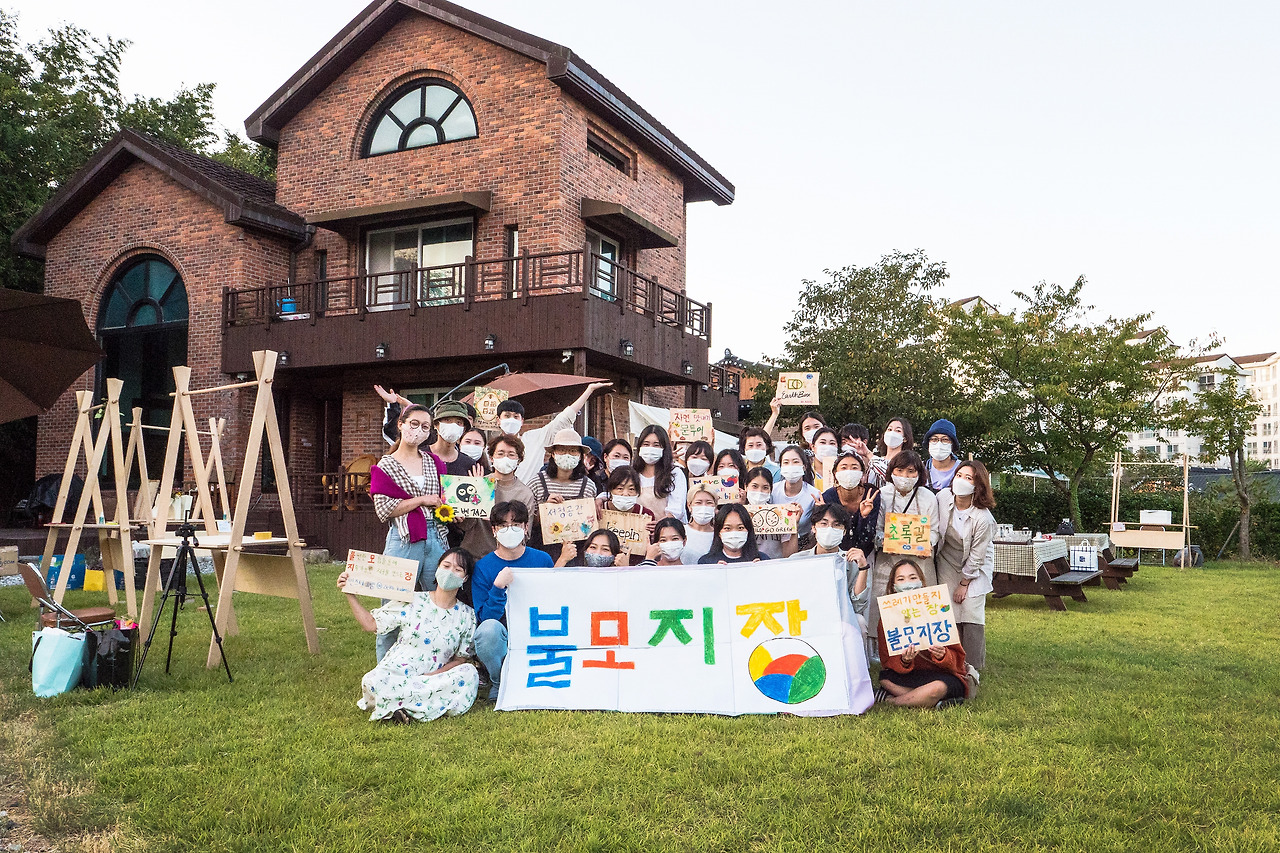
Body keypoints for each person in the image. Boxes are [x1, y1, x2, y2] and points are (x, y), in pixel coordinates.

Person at [338, 547, 479, 723]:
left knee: (469, 673)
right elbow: (370, 624)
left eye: (457, 569)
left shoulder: (467, 615)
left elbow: (460, 659)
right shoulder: (413, 600)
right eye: (446, 566)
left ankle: (397, 704)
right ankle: (418, 704)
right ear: (437, 569)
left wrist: (432, 676)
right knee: (374, 679)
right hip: (400, 669)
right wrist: (350, 594)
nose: (450, 572)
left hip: (435, 677)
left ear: (465, 578)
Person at [368, 404, 449, 661]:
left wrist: (450, 509)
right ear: (401, 424)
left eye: (425, 427)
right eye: (414, 424)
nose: (419, 430)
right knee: (392, 606)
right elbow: (384, 509)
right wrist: (422, 500)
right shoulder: (386, 465)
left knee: (439, 602)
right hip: (403, 537)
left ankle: (432, 663)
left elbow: (444, 498)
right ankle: (385, 669)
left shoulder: (434, 462)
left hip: (436, 534)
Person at [472, 501, 554, 701]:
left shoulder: (542, 560)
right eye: (503, 525)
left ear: (526, 527)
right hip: (504, 633)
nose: (510, 530)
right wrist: (498, 587)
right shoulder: (483, 567)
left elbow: (553, 600)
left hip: (536, 628)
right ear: (494, 530)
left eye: (516, 524)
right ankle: (500, 680)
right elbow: (486, 618)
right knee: (487, 631)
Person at [876, 558, 969, 708]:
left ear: (921, 581)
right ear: (893, 586)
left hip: (941, 676)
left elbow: (958, 660)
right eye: (901, 579)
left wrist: (943, 655)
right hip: (909, 676)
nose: (908, 584)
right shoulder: (888, 617)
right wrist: (904, 661)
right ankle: (933, 701)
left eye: (913, 578)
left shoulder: (939, 610)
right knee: (885, 679)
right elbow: (887, 662)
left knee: (937, 688)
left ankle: (889, 700)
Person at [872, 450, 943, 641]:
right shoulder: (883, 495)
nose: (905, 476)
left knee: (921, 608)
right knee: (884, 603)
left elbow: (935, 530)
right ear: (891, 471)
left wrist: (927, 544)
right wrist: (885, 541)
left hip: (920, 561)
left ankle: (924, 645)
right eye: (900, 470)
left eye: (911, 471)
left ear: (919, 473)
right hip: (888, 561)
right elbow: (877, 529)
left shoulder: (928, 497)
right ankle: (883, 646)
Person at [935, 460, 996, 672]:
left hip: (975, 564)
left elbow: (978, 555)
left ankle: (972, 667)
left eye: (968, 478)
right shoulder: (943, 498)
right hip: (947, 559)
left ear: (977, 486)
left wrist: (964, 583)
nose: (961, 481)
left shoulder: (983, 518)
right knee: (948, 610)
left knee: (971, 610)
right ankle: (950, 663)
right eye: (959, 475)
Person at [790, 502, 870, 633]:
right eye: (824, 523)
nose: (829, 529)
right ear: (814, 528)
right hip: (805, 617)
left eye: (836, 525)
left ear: (844, 531)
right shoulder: (797, 560)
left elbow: (857, 607)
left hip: (840, 618)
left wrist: (862, 569)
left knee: (859, 621)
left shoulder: (852, 562)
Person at [459, 435, 539, 558]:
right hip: (473, 555)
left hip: (506, 558)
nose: (505, 458)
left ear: (519, 460)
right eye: (500, 453)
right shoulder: (478, 484)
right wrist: (478, 492)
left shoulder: (525, 493)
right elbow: (464, 526)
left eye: (511, 454)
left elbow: (525, 535)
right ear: (491, 458)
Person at [515, 382, 612, 483]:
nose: (511, 420)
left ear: (522, 420)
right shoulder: (542, 479)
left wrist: (589, 390)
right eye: (507, 416)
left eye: (516, 416)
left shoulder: (533, 438)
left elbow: (563, 419)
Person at [821, 451, 879, 557]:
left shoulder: (871, 496)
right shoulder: (827, 497)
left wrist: (864, 517)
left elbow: (870, 535)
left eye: (854, 468)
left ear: (862, 473)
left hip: (866, 554)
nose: (849, 472)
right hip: (836, 553)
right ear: (835, 473)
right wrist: (820, 513)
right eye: (844, 468)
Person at [598, 466, 657, 565]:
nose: (625, 494)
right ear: (611, 490)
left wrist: (654, 535)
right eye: (620, 489)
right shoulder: (600, 510)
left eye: (631, 489)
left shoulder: (646, 515)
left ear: (638, 492)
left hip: (634, 568)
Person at [633, 425, 688, 521]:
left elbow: (677, 510)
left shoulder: (675, 473)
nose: (650, 448)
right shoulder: (632, 473)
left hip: (667, 527)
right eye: (646, 444)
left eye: (656, 445)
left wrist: (659, 524)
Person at [772, 445, 822, 545]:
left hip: (803, 545)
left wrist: (820, 510)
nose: (790, 466)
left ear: (804, 466)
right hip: (774, 543)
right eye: (786, 462)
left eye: (795, 462)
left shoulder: (814, 495)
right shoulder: (772, 491)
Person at [744, 467, 796, 559]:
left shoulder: (780, 514)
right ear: (746, 487)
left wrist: (794, 525)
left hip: (774, 564)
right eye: (755, 486)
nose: (759, 492)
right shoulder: (739, 515)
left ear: (770, 490)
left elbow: (789, 555)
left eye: (765, 488)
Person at [698, 504, 768, 563]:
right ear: (719, 532)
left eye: (740, 528)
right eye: (727, 528)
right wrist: (716, 572)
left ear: (748, 530)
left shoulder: (763, 560)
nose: (734, 533)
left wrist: (760, 570)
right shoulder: (706, 562)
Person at [871, 417, 914, 488]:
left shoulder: (908, 462)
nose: (892, 433)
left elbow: (891, 479)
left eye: (898, 431)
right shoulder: (875, 462)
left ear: (905, 438)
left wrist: (868, 455)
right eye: (889, 429)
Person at [922, 418, 961, 492]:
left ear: (952, 444)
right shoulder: (921, 468)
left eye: (945, 440)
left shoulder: (962, 469)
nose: (939, 444)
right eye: (934, 439)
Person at [683, 484, 719, 564]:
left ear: (715, 506)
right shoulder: (681, 531)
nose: (704, 507)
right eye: (698, 503)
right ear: (689, 506)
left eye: (709, 503)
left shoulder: (720, 535)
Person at [555, 529, 628, 568]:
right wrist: (563, 559)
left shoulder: (617, 577)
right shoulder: (576, 573)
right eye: (593, 547)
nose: (597, 553)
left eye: (605, 549)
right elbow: (552, 585)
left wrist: (626, 569)